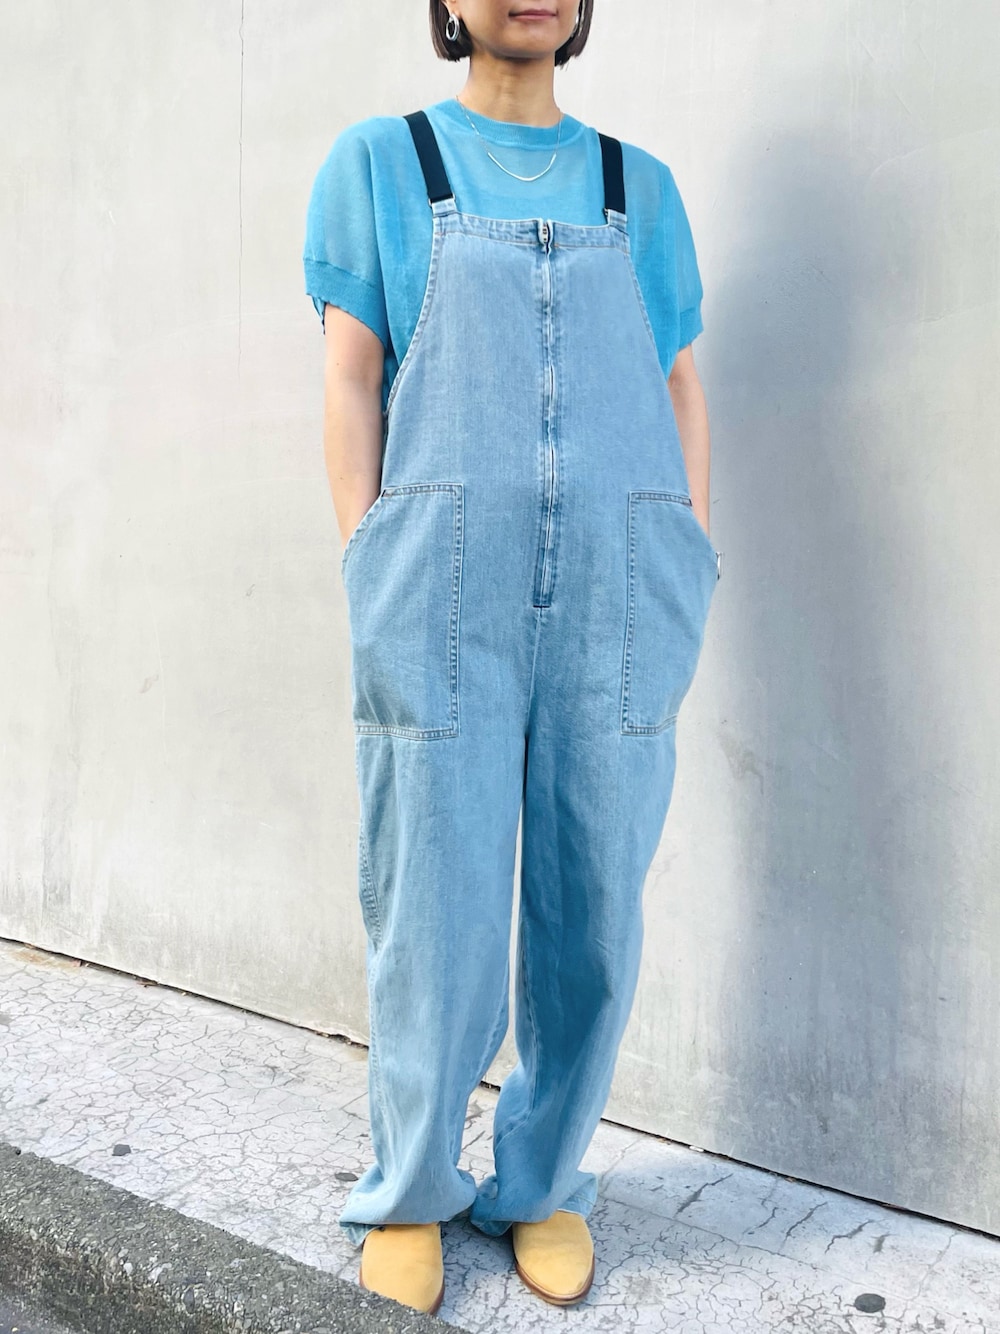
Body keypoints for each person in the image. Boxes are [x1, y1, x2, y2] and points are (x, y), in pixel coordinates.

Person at [302, 0, 720, 1315]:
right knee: (434, 906)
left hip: (618, 592)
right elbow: (352, 373)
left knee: (594, 911)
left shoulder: (640, 189)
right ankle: (410, 1188)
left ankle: (542, 1183)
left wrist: (683, 548)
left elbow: (678, 382)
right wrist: (371, 552)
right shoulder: (382, 164)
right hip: (439, 588)